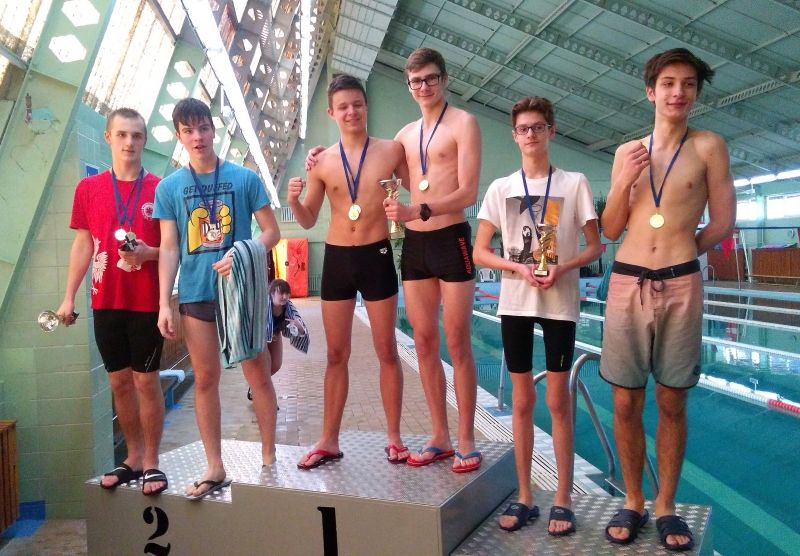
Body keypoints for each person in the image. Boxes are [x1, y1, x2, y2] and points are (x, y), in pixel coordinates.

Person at [600, 48, 735, 551]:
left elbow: (723, 222)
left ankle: (666, 504)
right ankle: (634, 499)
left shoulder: (709, 146)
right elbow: (611, 227)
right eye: (669, 83)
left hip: (680, 282)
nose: (679, 92)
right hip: (627, 280)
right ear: (650, 91)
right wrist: (622, 182)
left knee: (672, 399)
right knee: (625, 399)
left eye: (689, 84)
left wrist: (680, 256)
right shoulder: (627, 152)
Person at [473, 96, 601, 534]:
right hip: (515, 304)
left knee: (557, 400)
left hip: (559, 303)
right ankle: (526, 495)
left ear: (551, 131)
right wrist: (516, 267)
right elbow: (480, 251)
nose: (531, 134)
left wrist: (562, 267)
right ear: (514, 135)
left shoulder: (574, 183)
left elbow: (594, 246)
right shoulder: (501, 188)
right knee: (523, 400)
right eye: (524, 129)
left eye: (538, 127)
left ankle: (563, 497)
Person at [154, 98, 281, 499]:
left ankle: (268, 458)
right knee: (206, 380)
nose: (198, 137)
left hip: (241, 293)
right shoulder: (169, 188)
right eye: (188, 130)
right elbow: (169, 247)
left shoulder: (244, 179)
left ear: (214, 129)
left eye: (204, 128)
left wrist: (242, 252)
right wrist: (164, 302)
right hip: (196, 295)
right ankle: (215, 466)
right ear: (179, 136)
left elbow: (271, 232)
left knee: (258, 375)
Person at [289, 74, 410, 469]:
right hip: (338, 259)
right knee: (336, 354)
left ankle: (394, 437)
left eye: (357, 104)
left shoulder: (392, 150)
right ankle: (328, 440)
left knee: (387, 350)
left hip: (377, 255)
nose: (351, 111)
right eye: (343, 107)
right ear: (331, 113)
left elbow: (422, 185)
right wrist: (294, 201)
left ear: (366, 106)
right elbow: (308, 219)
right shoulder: (322, 162)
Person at [57, 108, 168, 496]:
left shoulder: (160, 188)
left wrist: (148, 253)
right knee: (119, 381)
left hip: (147, 301)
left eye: (136, 135)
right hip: (105, 300)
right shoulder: (89, 189)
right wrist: (68, 296)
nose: (129, 143)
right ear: (108, 138)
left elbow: (175, 249)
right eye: (122, 134)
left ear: (145, 141)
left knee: (146, 381)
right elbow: (83, 243)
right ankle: (133, 457)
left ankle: (152, 461)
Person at [384, 47, 483, 472]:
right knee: (424, 341)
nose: (424, 86)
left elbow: (468, 192)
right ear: (408, 86)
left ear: (444, 79)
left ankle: (466, 438)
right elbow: (372, 162)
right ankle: (440, 436)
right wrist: (319, 156)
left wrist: (418, 210)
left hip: (450, 238)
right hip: (416, 246)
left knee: (457, 341)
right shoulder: (404, 135)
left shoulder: (464, 123)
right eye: (416, 81)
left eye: (430, 78)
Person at [246, 278, 309, 401]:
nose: (285, 297)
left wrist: (298, 326)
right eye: (281, 293)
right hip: (260, 335)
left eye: (287, 293)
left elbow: (301, 329)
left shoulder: (288, 306)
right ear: (272, 293)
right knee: (265, 365)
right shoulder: (263, 304)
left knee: (276, 364)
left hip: (275, 334)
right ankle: (262, 396)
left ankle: (255, 384)